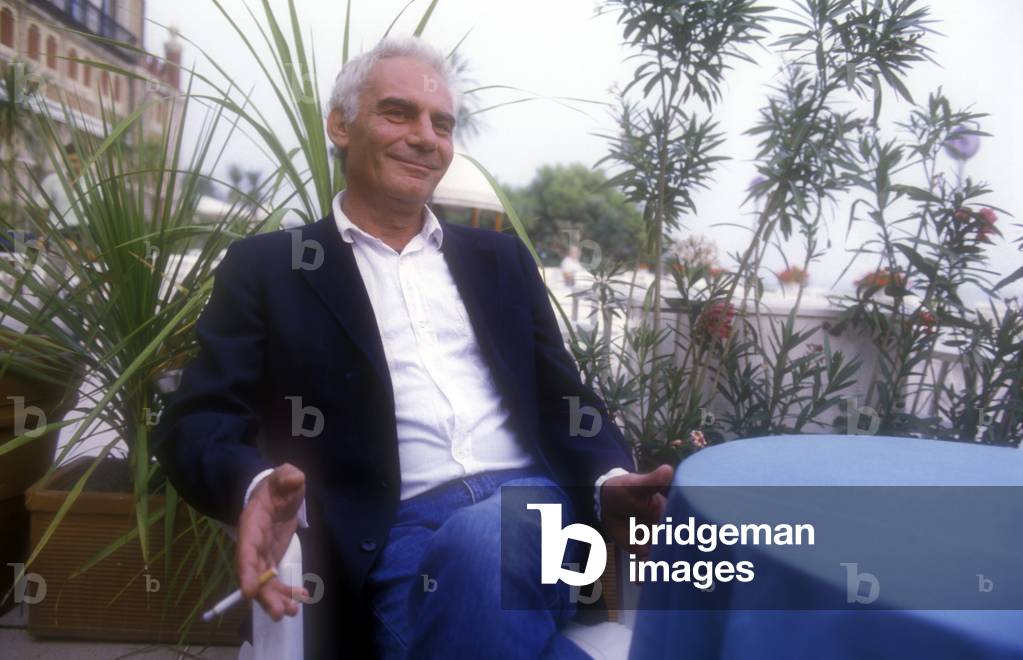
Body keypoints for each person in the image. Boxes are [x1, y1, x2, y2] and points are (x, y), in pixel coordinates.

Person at [153, 36, 672, 659]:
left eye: (443, 123)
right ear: (341, 125)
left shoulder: (499, 259)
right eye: (399, 112)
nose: (427, 137)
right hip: (390, 542)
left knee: (487, 540)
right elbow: (199, 419)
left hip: (533, 513)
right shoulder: (270, 269)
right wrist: (251, 482)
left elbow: (564, 397)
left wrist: (610, 477)